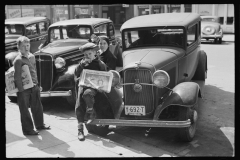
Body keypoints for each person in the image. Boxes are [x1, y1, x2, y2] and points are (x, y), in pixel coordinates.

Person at [13, 36, 50, 136]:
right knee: (24, 109)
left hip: (34, 86)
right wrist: (21, 90)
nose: (26, 48)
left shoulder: (32, 57)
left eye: (28, 45)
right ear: (19, 47)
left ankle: (40, 125)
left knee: (37, 106)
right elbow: (17, 77)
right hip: (24, 89)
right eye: (23, 46)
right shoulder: (18, 60)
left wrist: (38, 84)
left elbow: (34, 72)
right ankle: (28, 130)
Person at [74, 42, 108, 141]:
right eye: (85, 55)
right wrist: (81, 66)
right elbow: (76, 74)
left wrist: (103, 85)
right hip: (84, 86)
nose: (88, 56)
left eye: (90, 54)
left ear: (95, 53)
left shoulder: (100, 64)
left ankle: (91, 111)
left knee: (88, 94)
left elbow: (106, 76)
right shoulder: (82, 63)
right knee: (79, 102)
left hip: (96, 88)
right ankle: (80, 129)